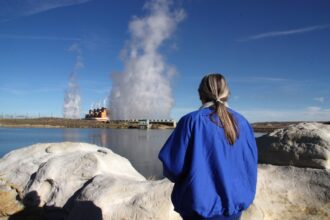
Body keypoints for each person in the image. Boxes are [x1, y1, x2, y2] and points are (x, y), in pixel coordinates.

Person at [158, 73, 258, 220]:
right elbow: (250, 166)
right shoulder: (243, 123)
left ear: (200, 94)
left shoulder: (191, 121)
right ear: (227, 94)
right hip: (234, 210)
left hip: (198, 210)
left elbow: (173, 169)